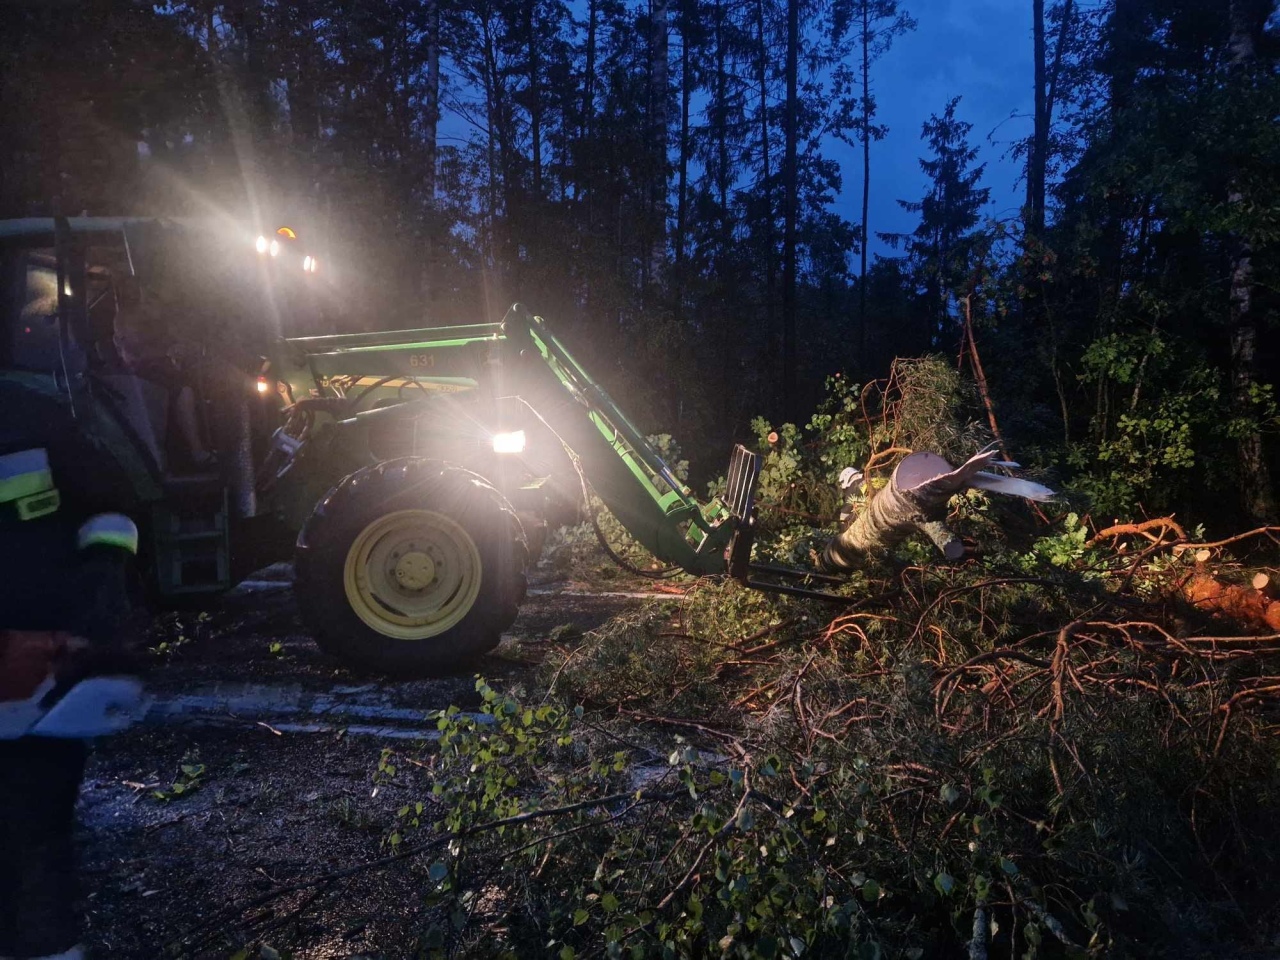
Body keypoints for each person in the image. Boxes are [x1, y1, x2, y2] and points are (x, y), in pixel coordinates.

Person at [0, 387, 144, 960]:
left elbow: (111, 508)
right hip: (28, 671)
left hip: (42, 682)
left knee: (37, 836)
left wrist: (100, 592)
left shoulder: (32, 412)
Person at [111, 279, 215, 471]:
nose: (151, 298)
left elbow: (178, 340)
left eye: (155, 296)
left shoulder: (159, 319)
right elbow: (133, 350)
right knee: (183, 390)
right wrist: (167, 352)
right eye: (149, 293)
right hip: (136, 372)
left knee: (200, 381)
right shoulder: (125, 318)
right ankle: (196, 450)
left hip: (162, 368)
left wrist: (186, 347)